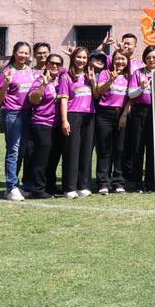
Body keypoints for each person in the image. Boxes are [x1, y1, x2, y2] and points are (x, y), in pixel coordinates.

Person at [0, 41, 39, 201]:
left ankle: (14, 186)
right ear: (14, 53)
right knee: (13, 150)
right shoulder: (7, 71)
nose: (23, 55)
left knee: (21, 151)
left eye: (26, 53)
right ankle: (11, 187)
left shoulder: (31, 72)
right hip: (12, 114)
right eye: (21, 52)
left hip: (28, 113)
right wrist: (6, 84)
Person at [58, 47, 96, 198]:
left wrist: (93, 81)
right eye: (79, 57)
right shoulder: (66, 77)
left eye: (84, 58)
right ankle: (70, 187)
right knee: (72, 152)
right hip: (73, 116)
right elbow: (63, 100)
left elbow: (96, 95)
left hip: (89, 116)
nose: (81, 60)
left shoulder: (90, 75)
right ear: (73, 58)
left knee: (86, 151)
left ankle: (83, 185)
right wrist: (64, 120)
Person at [25, 53, 64, 199]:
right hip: (42, 123)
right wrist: (43, 85)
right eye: (52, 63)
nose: (54, 66)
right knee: (41, 158)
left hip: (56, 125)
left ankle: (50, 186)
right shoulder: (40, 80)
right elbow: (33, 99)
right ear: (46, 64)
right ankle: (38, 188)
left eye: (58, 64)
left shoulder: (61, 81)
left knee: (53, 158)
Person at [94, 50, 131, 194]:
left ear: (127, 61)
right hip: (104, 114)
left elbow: (131, 98)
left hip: (121, 114)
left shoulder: (129, 76)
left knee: (119, 150)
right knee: (104, 150)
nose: (120, 62)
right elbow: (99, 91)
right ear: (112, 60)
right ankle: (103, 182)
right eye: (117, 59)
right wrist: (111, 80)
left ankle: (118, 182)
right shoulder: (105, 73)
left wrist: (124, 115)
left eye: (123, 59)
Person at [126, 45, 155, 192]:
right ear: (144, 59)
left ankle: (151, 182)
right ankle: (137, 182)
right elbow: (130, 94)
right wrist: (141, 88)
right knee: (138, 147)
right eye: (148, 57)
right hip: (140, 112)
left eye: (154, 57)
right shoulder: (137, 73)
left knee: (153, 148)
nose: (151, 60)